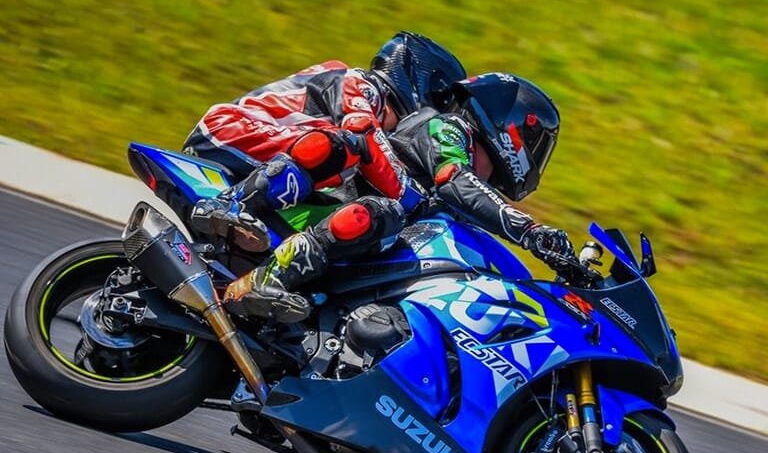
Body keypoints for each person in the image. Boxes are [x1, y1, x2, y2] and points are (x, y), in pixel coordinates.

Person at [221, 72, 577, 323]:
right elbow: (454, 179)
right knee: (382, 212)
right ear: (511, 127)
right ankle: (244, 221)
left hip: (360, 251)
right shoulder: (449, 129)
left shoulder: (460, 201)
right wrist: (529, 231)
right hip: (324, 210)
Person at [183, 31, 467, 252]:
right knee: (346, 146)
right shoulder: (363, 86)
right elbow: (364, 135)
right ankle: (230, 206)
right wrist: (413, 198)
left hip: (249, 144)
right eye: (442, 103)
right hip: (228, 130)